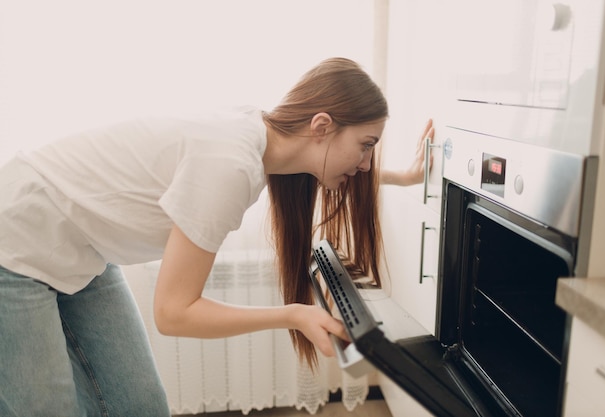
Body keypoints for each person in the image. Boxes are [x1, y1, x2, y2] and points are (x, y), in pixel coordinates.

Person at [0, 57, 435, 416]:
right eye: (366, 145)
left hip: (82, 250)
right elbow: (174, 313)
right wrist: (292, 314)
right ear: (321, 125)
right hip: (17, 242)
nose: (365, 163)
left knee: (141, 407)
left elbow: (337, 165)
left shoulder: (261, 138)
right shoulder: (229, 165)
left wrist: (407, 176)